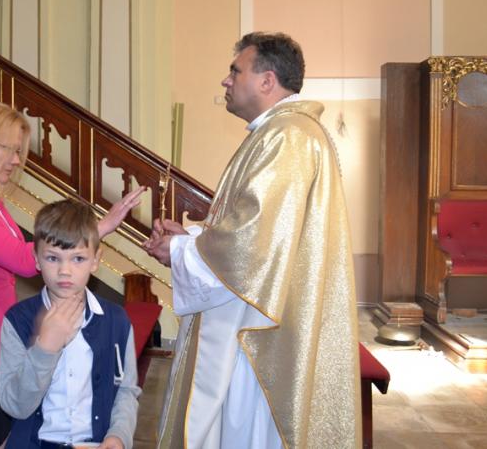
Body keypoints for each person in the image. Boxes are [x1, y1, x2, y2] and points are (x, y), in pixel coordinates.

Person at [144, 32, 361, 448]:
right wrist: (192, 237)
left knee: (248, 428)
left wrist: (181, 250)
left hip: (261, 331)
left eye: (235, 70)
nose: (226, 80)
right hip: (257, 312)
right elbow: (256, 227)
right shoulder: (278, 133)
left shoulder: (289, 136)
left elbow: (254, 242)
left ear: (267, 80)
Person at [0, 102, 144, 449]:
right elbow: (25, 259)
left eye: (18, 151)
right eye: (10, 149)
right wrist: (96, 229)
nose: (17, 160)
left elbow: (36, 251)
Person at [0, 199, 140, 449]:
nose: (65, 270)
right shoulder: (17, 320)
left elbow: (126, 390)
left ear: (95, 260)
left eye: (78, 259)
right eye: (53, 258)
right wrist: (45, 349)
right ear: (37, 259)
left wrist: (119, 435)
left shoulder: (117, 321)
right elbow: (15, 406)